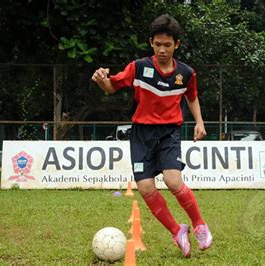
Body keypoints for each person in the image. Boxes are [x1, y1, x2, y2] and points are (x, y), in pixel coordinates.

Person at [91, 14, 211, 257]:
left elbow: (191, 96)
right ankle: (177, 231)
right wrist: (102, 80)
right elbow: (112, 87)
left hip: (169, 132)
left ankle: (199, 225)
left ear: (177, 44)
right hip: (142, 134)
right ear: (151, 43)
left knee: (173, 180)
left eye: (167, 45)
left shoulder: (186, 73)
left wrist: (199, 121)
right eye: (157, 44)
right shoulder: (139, 67)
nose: (162, 50)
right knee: (145, 187)